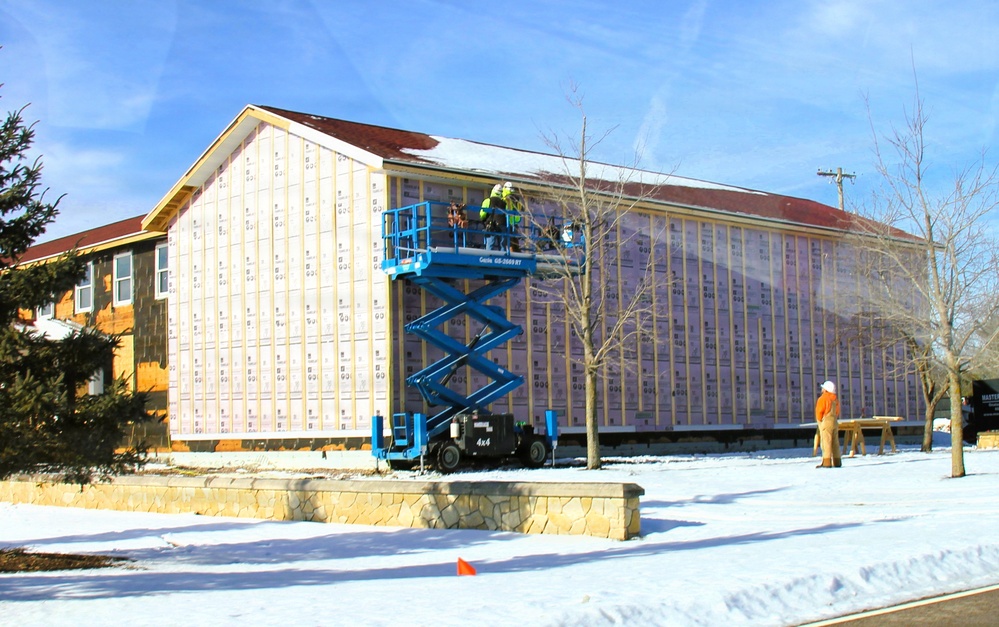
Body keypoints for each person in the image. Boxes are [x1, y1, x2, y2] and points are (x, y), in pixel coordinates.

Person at [815, 380, 841, 468]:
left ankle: (827, 463)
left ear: (826, 390)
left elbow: (819, 412)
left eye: (823, 388)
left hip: (826, 422)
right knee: (835, 443)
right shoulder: (835, 399)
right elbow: (837, 412)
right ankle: (837, 462)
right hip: (834, 422)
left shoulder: (823, 398)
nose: (822, 389)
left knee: (826, 442)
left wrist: (820, 421)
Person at [479, 184, 506, 250]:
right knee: (502, 246)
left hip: (491, 225)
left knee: (490, 245)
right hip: (502, 225)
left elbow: (482, 214)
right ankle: (503, 259)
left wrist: (483, 219)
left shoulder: (488, 200)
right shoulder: (504, 202)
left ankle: (488, 258)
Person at [501, 182, 523, 251]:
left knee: (506, 241)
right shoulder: (517, 198)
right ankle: (516, 253)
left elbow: (505, 210)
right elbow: (521, 209)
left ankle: (508, 253)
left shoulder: (506, 198)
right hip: (516, 221)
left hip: (508, 222)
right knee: (514, 241)